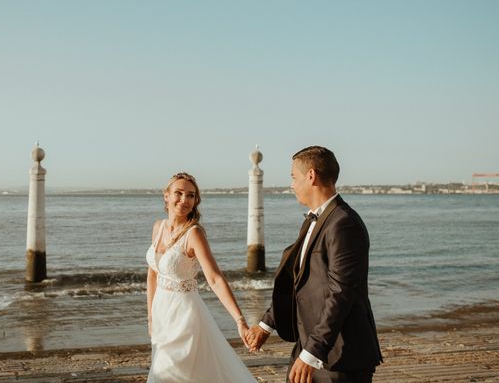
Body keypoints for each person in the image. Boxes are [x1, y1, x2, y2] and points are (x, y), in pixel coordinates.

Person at [246, 146, 382, 383]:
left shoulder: (343, 223)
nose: (291, 185)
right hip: (309, 345)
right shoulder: (314, 219)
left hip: (339, 356)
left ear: (311, 176)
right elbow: (300, 284)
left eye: (293, 177)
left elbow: (341, 294)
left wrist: (311, 353)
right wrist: (266, 324)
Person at [146, 172, 256, 382]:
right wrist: (150, 317)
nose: (184, 200)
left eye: (191, 195)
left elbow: (215, 279)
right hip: (161, 315)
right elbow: (152, 274)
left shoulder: (194, 234)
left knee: (166, 375)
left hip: (185, 318)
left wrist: (240, 320)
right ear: (166, 196)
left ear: (196, 200)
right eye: (178, 193)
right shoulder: (158, 227)